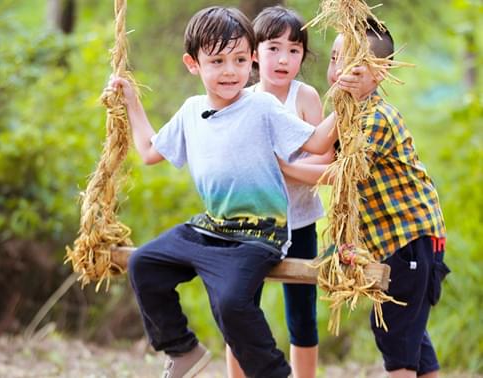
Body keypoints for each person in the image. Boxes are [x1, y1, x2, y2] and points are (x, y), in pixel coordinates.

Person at [108, 6, 338, 378]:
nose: (231, 71)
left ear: (252, 60)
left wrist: (349, 98)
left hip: (259, 233)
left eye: (240, 59)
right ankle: (183, 350)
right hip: (212, 227)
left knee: (232, 302)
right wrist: (132, 102)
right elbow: (150, 151)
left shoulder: (261, 105)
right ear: (193, 63)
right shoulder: (190, 111)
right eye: (217, 61)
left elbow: (317, 142)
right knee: (144, 264)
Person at [281, 19, 450, 378]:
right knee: (411, 334)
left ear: (381, 72)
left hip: (408, 239)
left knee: (395, 333)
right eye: (334, 58)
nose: (337, 69)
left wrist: (283, 169)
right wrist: (280, 167)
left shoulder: (377, 117)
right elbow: (322, 156)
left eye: (351, 60)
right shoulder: (346, 113)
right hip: (391, 241)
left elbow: (338, 173)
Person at [225, 6, 333, 378]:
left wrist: (284, 169)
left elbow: (326, 166)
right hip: (250, 224)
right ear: (254, 53)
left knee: (302, 312)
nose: (283, 59)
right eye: (273, 48)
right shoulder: (242, 99)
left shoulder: (306, 98)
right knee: (240, 307)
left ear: (304, 55)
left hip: (300, 222)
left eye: (293, 49)